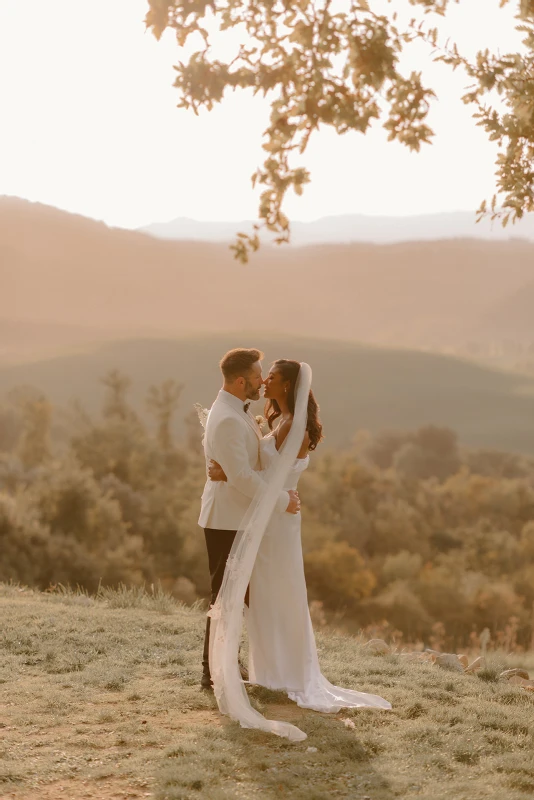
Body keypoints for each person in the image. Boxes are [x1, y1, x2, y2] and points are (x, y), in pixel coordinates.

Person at [204, 357, 392, 741]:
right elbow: (255, 467)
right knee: (264, 595)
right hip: (265, 516)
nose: (265, 381)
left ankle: (286, 673)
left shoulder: (295, 427)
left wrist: (235, 474)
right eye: (261, 375)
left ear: (287, 386)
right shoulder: (275, 421)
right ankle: (266, 670)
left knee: (280, 593)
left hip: (278, 518)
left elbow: (269, 475)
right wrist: (227, 469)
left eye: (270, 377)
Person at [198, 348, 300, 690]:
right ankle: (211, 672)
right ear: (241, 381)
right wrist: (282, 498)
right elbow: (241, 476)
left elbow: (240, 468)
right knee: (224, 598)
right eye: (258, 376)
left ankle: (226, 664)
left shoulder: (235, 411)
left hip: (238, 517)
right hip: (227, 519)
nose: (262, 381)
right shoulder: (227, 418)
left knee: (237, 596)